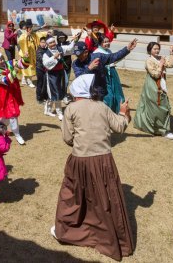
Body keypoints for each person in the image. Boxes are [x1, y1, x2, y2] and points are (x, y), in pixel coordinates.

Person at [51, 74, 134, 261]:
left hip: (80, 159)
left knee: (74, 194)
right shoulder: (102, 106)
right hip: (104, 160)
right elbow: (120, 126)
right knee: (105, 197)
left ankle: (71, 228)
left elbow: (67, 138)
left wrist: (79, 143)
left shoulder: (71, 108)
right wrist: (123, 112)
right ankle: (109, 235)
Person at [134, 42, 173, 139]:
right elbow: (155, 74)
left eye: (158, 49)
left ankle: (160, 129)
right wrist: (161, 65)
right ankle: (162, 130)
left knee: (162, 105)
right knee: (158, 106)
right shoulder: (149, 60)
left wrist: (171, 54)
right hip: (152, 85)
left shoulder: (160, 58)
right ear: (150, 50)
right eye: (154, 49)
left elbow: (171, 65)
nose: (157, 51)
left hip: (161, 84)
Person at [72, 39, 137, 98]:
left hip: (100, 91)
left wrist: (127, 49)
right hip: (85, 93)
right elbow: (79, 78)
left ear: (86, 52)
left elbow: (114, 57)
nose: (78, 57)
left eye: (80, 54)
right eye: (76, 55)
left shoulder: (98, 56)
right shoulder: (75, 63)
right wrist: (89, 68)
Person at [0, 51, 26, 145]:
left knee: (10, 114)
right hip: (4, 94)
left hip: (13, 91)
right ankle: (13, 133)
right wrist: (15, 71)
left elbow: (21, 64)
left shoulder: (9, 63)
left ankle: (10, 131)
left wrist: (25, 58)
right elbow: (6, 80)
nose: (2, 61)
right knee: (9, 114)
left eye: (2, 58)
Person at [42, 37, 77, 121]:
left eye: (54, 42)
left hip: (60, 73)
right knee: (54, 93)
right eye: (50, 43)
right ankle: (59, 112)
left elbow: (69, 48)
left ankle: (48, 110)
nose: (53, 44)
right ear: (47, 44)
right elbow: (45, 64)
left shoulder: (60, 48)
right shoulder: (46, 54)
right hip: (51, 75)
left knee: (59, 91)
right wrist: (54, 57)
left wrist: (74, 41)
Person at [93, 36, 126, 114]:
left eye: (108, 41)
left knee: (116, 91)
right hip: (103, 74)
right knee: (108, 94)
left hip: (112, 72)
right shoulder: (96, 52)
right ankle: (106, 112)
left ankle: (116, 110)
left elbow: (113, 60)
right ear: (100, 43)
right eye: (104, 42)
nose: (107, 43)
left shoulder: (109, 51)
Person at [18, 19, 47, 87]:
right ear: (27, 29)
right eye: (29, 28)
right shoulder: (23, 35)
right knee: (28, 67)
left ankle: (24, 79)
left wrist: (47, 33)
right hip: (26, 54)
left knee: (30, 67)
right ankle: (29, 81)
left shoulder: (33, 34)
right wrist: (26, 36)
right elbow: (21, 41)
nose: (31, 29)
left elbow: (39, 34)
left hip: (33, 54)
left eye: (31, 28)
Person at [35, 36, 49, 106]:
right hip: (39, 68)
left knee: (45, 83)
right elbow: (41, 58)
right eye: (42, 42)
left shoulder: (47, 49)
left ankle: (45, 96)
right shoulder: (39, 50)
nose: (43, 44)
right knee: (40, 83)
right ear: (40, 43)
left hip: (45, 69)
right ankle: (39, 98)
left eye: (45, 42)